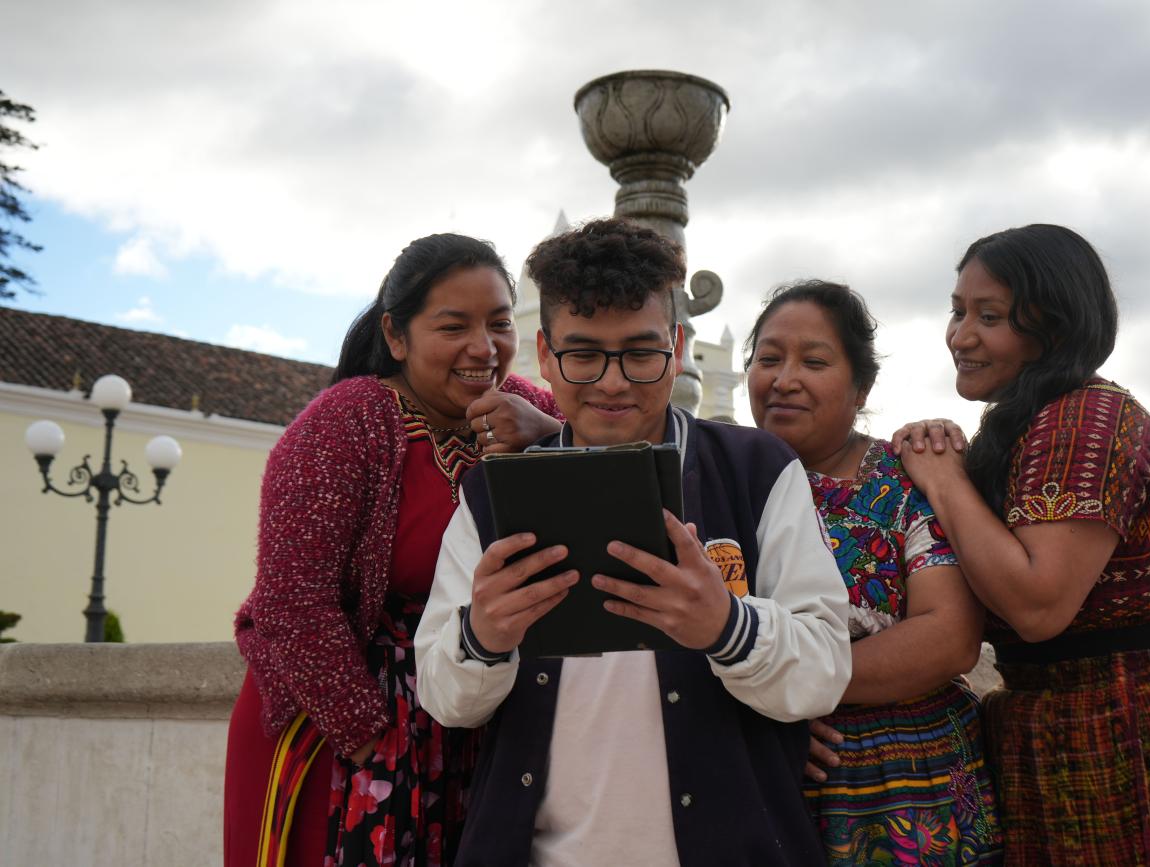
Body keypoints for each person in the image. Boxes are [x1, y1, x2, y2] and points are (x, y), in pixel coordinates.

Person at [413, 218, 852, 866]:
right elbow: (444, 694)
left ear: (676, 345)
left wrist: (727, 626)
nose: (613, 382)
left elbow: (822, 671)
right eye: (584, 353)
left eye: (640, 353)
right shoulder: (491, 495)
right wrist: (482, 633)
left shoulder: (758, 470)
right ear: (544, 346)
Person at [892, 224, 1150, 865]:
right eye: (958, 311)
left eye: (988, 316)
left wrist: (941, 478)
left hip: (1148, 752)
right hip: (1068, 745)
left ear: (1055, 327)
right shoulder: (1024, 426)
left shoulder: (1085, 420)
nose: (960, 336)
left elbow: (1038, 605)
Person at [224, 233, 564, 867]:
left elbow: (617, 484)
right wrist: (370, 737)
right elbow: (292, 599)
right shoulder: (345, 422)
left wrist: (552, 436)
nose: (483, 348)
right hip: (343, 724)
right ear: (397, 334)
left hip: (476, 714)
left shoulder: (533, 410)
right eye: (453, 326)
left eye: (498, 323)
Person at [745, 279, 1002, 866]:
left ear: (861, 387)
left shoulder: (905, 476)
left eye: (814, 361)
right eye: (768, 359)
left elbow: (949, 637)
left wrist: (789, 692)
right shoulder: (717, 480)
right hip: (764, 777)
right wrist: (760, 715)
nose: (785, 379)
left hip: (910, 789)